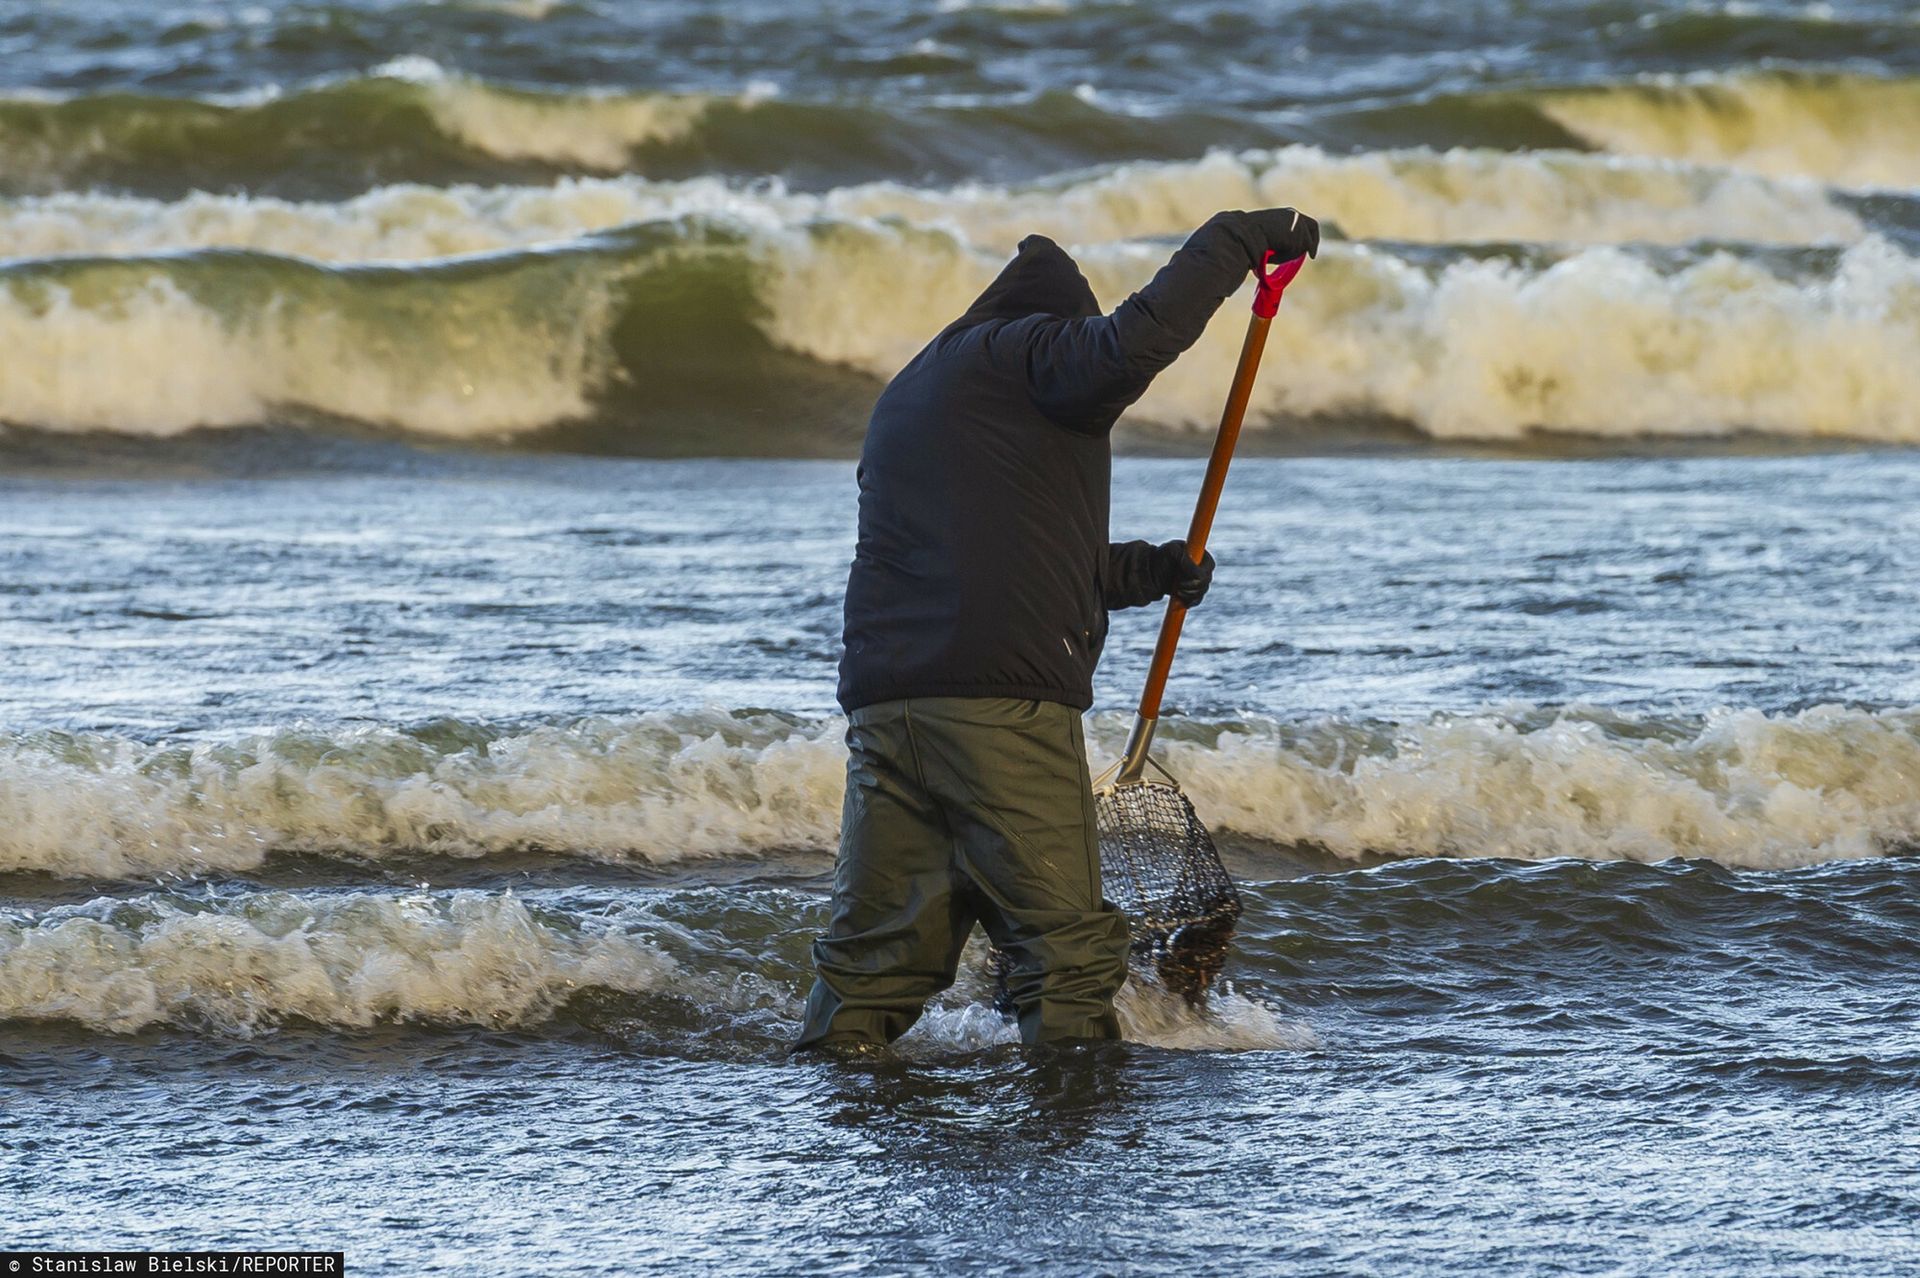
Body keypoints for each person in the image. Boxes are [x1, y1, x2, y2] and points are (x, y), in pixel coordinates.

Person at [794, 208, 1321, 1050]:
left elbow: (997, 557)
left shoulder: (918, 390)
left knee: (872, 962)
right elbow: (1133, 343)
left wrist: (1149, 570)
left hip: (890, 713)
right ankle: (1078, 1144)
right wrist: (1234, 239)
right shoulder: (1034, 353)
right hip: (998, 706)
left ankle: (837, 1105)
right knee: (1068, 959)